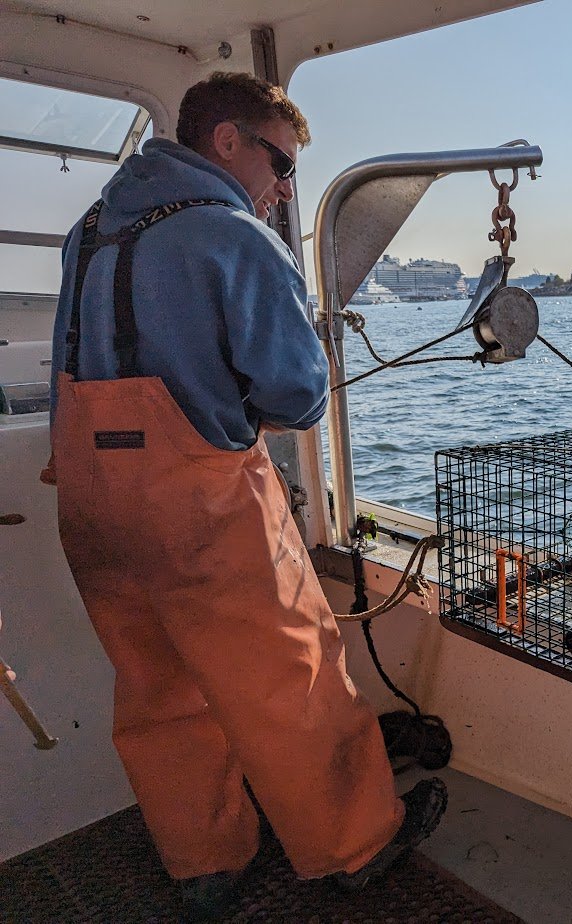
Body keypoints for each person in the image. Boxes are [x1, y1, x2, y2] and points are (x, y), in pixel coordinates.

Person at [45, 72, 446, 920]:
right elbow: (297, 393)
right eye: (282, 160)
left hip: (90, 505)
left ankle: (205, 862)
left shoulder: (88, 232)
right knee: (288, 677)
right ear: (226, 142)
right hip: (198, 510)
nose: (287, 184)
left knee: (156, 689)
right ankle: (356, 842)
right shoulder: (230, 234)